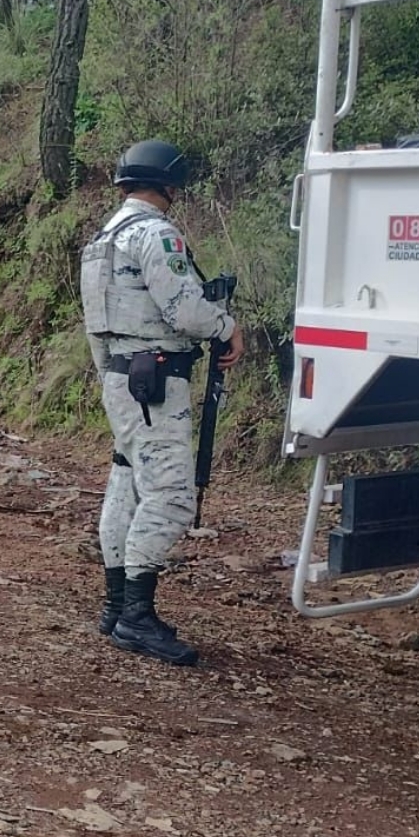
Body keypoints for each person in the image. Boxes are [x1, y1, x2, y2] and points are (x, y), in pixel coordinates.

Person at [80, 139, 243, 667]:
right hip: (156, 382)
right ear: (169, 184)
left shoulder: (101, 241)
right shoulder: (157, 234)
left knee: (127, 480)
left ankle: (115, 605)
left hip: (121, 377)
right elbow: (184, 311)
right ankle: (136, 617)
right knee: (172, 496)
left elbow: (96, 329)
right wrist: (225, 327)